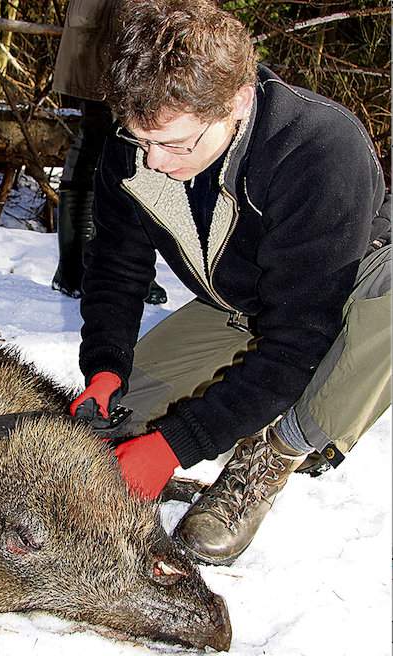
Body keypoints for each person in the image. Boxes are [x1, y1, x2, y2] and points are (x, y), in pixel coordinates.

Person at [69, 0, 391, 566]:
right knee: (106, 433)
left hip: (339, 305)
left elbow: (299, 340)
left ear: (238, 101)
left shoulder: (317, 147)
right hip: (238, 305)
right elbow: (117, 265)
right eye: (141, 140)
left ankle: (273, 454)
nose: (155, 161)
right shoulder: (137, 147)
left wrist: (175, 446)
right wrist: (104, 367)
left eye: (174, 144)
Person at [51, 0, 167, 304]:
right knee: (100, 135)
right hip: (104, 22)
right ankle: (75, 267)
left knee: (137, 143)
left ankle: (125, 268)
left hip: (143, 22)